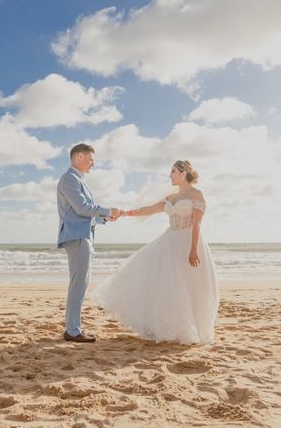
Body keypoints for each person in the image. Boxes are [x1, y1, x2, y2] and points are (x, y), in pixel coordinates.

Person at [91, 160, 219, 345]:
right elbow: (148, 209)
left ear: (183, 173)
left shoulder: (196, 195)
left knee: (191, 286)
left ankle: (194, 329)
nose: (170, 176)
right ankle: (173, 328)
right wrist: (126, 213)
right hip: (169, 243)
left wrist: (193, 250)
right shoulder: (171, 197)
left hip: (190, 242)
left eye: (173, 172)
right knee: (171, 286)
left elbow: (197, 224)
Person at [56, 143, 121, 343]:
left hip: (83, 235)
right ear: (78, 158)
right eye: (91, 159)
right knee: (78, 284)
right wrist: (108, 210)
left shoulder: (77, 179)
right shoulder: (69, 179)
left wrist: (104, 219)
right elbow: (82, 208)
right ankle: (73, 331)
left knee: (81, 284)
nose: (93, 163)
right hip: (77, 237)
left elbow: (82, 212)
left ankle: (74, 328)